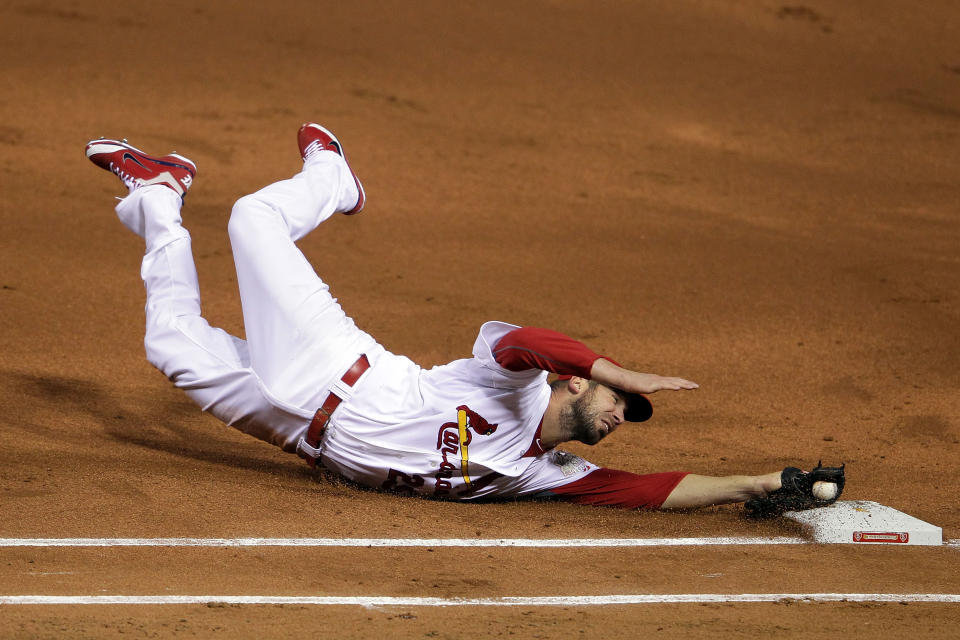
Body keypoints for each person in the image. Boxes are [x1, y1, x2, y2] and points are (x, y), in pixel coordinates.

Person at [84, 124, 840, 513]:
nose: (621, 412)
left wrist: (755, 482)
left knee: (168, 341)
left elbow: (645, 490)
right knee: (253, 218)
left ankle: (158, 193)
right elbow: (525, 341)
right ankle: (332, 174)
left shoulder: (539, 474)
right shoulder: (511, 378)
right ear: (574, 383)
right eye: (617, 400)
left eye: (629, 410)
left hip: (293, 430)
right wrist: (616, 367)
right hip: (334, 365)